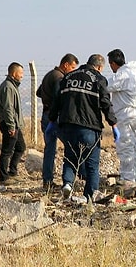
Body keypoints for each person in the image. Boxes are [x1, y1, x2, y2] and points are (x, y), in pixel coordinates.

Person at [48, 54, 119, 201]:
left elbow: (57, 101)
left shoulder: (68, 77)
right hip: (89, 127)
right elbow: (106, 103)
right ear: (99, 67)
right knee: (92, 163)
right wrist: (113, 124)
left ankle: (68, 184)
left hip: (67, 125)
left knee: (70, 157)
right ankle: (90, 195)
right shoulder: (99, 79)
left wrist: (51, 120)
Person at [36, 53, 79, 190]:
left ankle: (47, 180)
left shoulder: (50, 74)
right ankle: (68, 180)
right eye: (72, 67)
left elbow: (38, 92)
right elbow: (58, 98)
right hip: (54, 117)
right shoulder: (59, 77)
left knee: (50, 149)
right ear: (65, 65)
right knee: (71, 146)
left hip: (46, 115)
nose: (73, 71)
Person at [107, 49, 136, 186]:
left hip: (126, 114)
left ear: (112, 63)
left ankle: (128, 179)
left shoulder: (122, 75)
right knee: (133, 146)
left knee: (125, 147)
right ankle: (135, 177)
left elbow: (106, 86)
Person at [0, 62, 27, 188]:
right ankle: (3, 177)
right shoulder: (8, 87)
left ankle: (12, 172)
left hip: (14, 123)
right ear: (14, 73)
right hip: (10, 123)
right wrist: (11, 126)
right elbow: (8, 108)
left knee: (20, 147)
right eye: (21, 73)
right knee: (7, 151)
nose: (22, 76)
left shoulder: (12, 86)